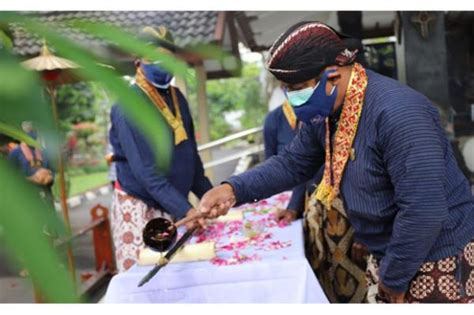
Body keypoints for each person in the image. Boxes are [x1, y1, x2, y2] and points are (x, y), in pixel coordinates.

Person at [198, 21, 474, 303]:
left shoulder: (399, 114)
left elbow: (424, 209)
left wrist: (393, 278)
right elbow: (293, 163)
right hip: (389, 253)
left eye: (298, 88)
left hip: (436, 257)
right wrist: (233, 189)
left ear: (333, 75)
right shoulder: (330, 109)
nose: (293, 98)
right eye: (286, 89)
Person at [109, 26, 213, 272]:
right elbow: (146, 173)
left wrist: (212, 197)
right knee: (146, 280)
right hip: (142, 207)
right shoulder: (128, 106)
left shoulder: (178, 97)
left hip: (174, 202)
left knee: (179, 278)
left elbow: (192, 159)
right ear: (137, 60)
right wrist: (187, 210)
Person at [263, 100, 311, 223]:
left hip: (314, 196)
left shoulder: (316, 114)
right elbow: (271, 166)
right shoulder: (273, 119)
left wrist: (294, 206)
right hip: (287, 197)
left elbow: (307, 164)